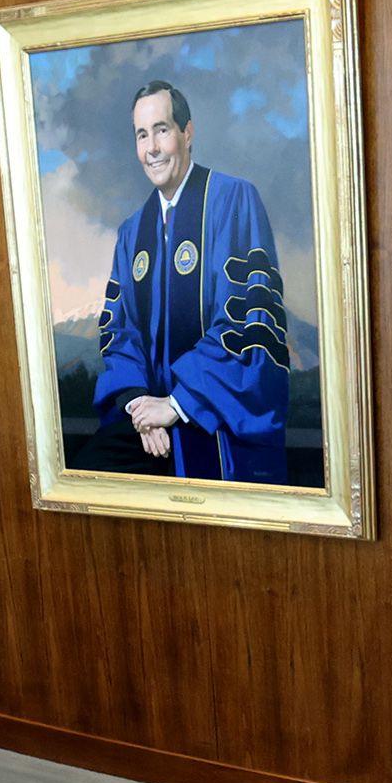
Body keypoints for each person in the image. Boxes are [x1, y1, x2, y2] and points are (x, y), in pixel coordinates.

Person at [87, 79, 290, 482]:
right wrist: (140, 406)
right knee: (89, 471)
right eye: (142, 135)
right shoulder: (133, 232)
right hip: (148, 424)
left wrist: (177, 404)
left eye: (162, 130)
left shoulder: (232, 200)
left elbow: (247, 322)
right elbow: (119, 330)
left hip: (215, 417)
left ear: (188, 133)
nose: (153, 149)